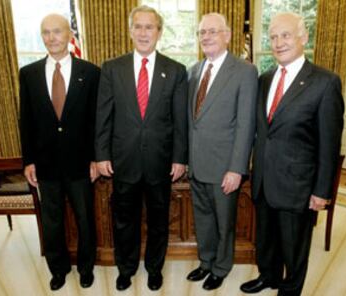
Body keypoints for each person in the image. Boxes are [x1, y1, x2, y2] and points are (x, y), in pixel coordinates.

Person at [240, 12, 344, 296]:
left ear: (303, 37)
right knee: (266, 240)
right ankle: (268, 276)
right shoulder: (264, 79)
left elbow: (329, 144)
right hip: (263, 180)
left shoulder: (325, 82)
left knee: (294, 248)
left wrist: (321, 191)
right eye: (273, 37)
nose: (278, 42)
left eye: (285, 35)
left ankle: (289, 290)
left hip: (298, 186)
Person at [95, 5, 188, 292]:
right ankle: (126, 268)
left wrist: (179, 158)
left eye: (150, 27)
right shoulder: (112, 68)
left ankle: (154, 268)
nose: (144, 32)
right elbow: (104, 115)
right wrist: (101, 155)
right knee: (124, 220)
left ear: (159, 32)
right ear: (130, 30)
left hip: (160, 162)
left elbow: (179, 121)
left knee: (159, 220)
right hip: (123, 161)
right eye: (138, 26)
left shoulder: (175, 70)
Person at [19, 14, 100, 291]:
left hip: (80, 163)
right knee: (51, 222)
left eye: (57, 32)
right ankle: (58, 268)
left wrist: (95, 158)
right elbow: (25, 120)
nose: (51, 37)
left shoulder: (90, 72)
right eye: (46, 32)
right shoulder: (28, 74)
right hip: (45, 163)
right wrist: (28, 160)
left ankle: (87, 268)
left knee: (85, 219)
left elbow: (95, 121)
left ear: (69, 36)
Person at [186, 13, 258, 291]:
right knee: (202, 218)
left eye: (212, 32)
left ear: (227, 35)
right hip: (197, 163)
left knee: (224, 222)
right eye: (202, 32)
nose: (206, 37)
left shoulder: (244, 71)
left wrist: (237, 168)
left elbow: (246, 123)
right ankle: (206, 261)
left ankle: (221, 266)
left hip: (225, 167)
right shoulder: (193, 71)